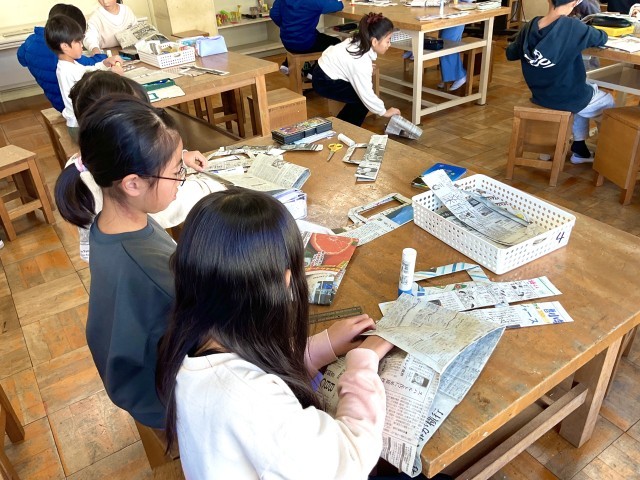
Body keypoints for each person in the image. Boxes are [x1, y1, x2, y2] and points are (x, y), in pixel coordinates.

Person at [156, 188, 395, 478]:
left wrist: (324, 345)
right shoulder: (251, 398)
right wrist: (363, 362)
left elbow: (258, 364)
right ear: (285, 281)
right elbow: (350, 460)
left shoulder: (187, 341)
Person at [64, 70, 223, 262]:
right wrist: (210, 187)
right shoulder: (123, 194)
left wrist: (176, 158)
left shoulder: (86, 163)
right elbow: (167, 204)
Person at [506, 0, 615, 164]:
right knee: (607, 102)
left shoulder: (530, 25)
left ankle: (572, 149)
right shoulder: (573, 27)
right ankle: (609, 156)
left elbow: (511, 53)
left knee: (583, 94)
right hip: (567, 95)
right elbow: (602, 38)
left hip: (541, 94)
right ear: (575, 2)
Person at [312, 13, 401, 126]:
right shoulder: (361, 62)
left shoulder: (358, 40)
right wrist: (384, 112)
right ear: (374, 42)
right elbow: (366, 94)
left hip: (322, 70)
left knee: (359, 99)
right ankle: (343, 129)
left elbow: (351, 63)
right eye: (388, 41)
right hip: (324, 81)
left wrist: (365, 67)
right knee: (362, 101)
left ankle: (341, 126)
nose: (389, 44)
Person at [44, 14, 123, 140]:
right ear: (65, 46)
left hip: (82, 122)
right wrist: (113, 76)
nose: (82, 45)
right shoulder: (67, 71)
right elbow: (92, 86)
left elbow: (88, 71)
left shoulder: (70, 64)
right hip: (81, 127)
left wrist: (104, 63)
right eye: (78, 42)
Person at [17, 3, 108, 113]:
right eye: (77, 39)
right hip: (74, 107)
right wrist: (101, 55)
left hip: (57, 102)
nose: (81, 43)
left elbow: (21, 59)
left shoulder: (30, 41)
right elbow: (91, 65)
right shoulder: (64, 55)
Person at [270, 0, 343, 76]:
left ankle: (287, 64)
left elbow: (274, 14)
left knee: (315, 35)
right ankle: (314, 71)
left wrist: (285, 27)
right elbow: (337, 6)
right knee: (336, 43)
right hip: (306, 43)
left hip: (287, 42)